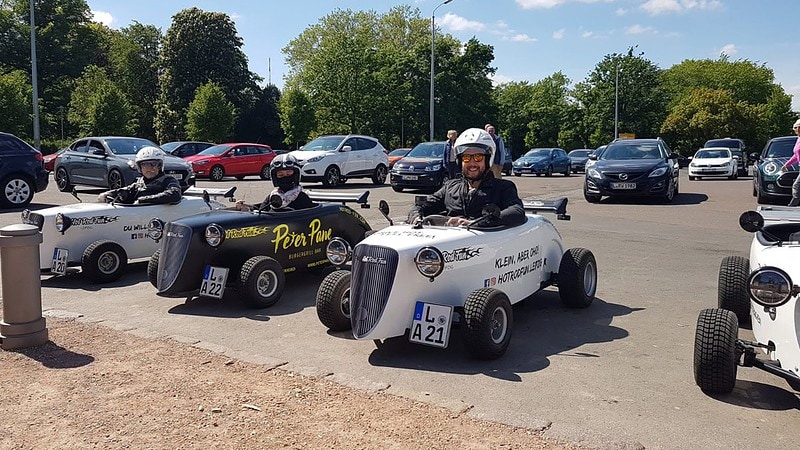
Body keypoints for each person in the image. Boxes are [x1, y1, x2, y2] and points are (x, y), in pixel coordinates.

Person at [408, 128, 525, 228]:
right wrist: (416, 217)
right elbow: (421, 204)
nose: (472, 163)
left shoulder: (503, 188)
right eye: (466, 158)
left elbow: (517, 211)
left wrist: (477, 223)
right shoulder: (450, 187)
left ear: (488, 159)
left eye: (478, 157)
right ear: (460, 161)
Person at [97, 146, 181, 205]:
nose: (149, 168)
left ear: (160, 166)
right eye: (145, 165)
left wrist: (143, 200)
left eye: (153, 164)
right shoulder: (139, 183)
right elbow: (127, 191)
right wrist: (109, 194)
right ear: (139, 167)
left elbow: (174, 194)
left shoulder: (168, 180)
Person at [235, 154, 316, 211]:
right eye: (281, 175)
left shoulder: (302, 198)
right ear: (275, 177)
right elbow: (261, 211)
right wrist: (243, 207)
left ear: (296, 175)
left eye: (288, 174)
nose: (285, 177)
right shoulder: (272, 197)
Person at [781, 118, 800, 206]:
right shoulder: (798, 139)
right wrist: (786, 165)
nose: (795, 130)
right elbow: (796, 155)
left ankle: (793, 205)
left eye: (796, 128)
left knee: (796, 186)